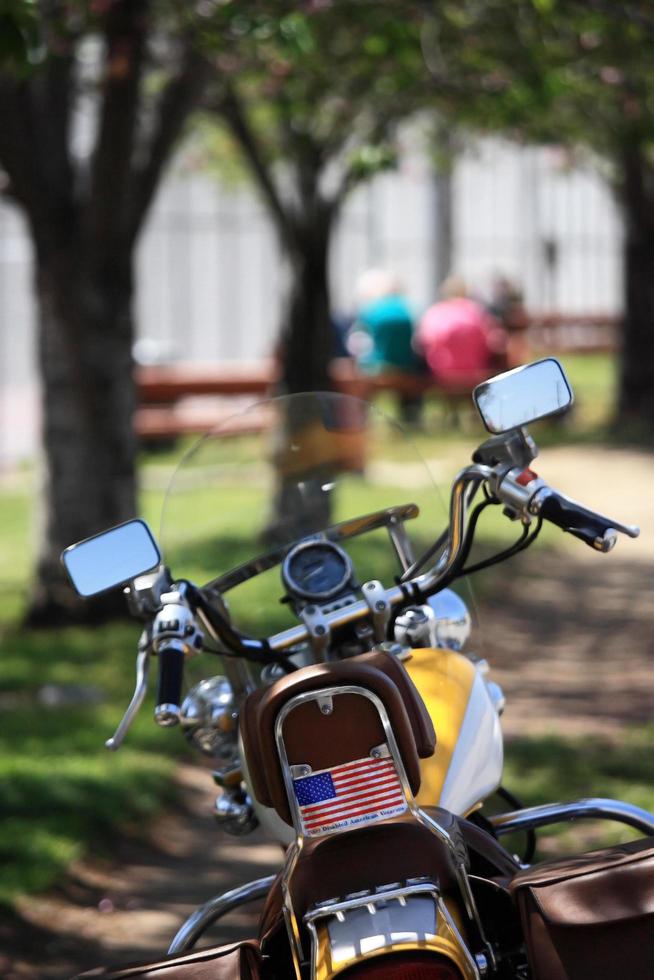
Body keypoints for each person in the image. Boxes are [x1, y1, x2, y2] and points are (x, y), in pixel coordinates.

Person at [349, 269, 426, 424]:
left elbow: (356, 343)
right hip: (406, 367)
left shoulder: (371, 310)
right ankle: (411, 418)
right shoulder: (407, 310)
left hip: (377, 368)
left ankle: (361, 420)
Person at [417, 275, 507, 388]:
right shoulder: (477, 311)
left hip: (440, 373)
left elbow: (423, 342)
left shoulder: (434, 312)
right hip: (474, 372)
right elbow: (493, 341)